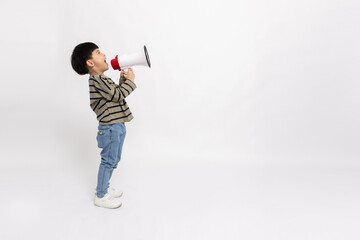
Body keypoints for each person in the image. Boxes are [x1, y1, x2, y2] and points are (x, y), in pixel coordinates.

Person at [71, 42, 137, 209]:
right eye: (98, 52)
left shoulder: (102, 80)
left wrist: (122, 82)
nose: (104, 54)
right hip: (110, 128)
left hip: (116, 125)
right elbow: (118, 95)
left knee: (114, 160)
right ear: (90, 63)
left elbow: (115, 95)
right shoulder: (97, 79)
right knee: (108, 161)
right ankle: (101, 195)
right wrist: (130, 81)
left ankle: (104, 187)